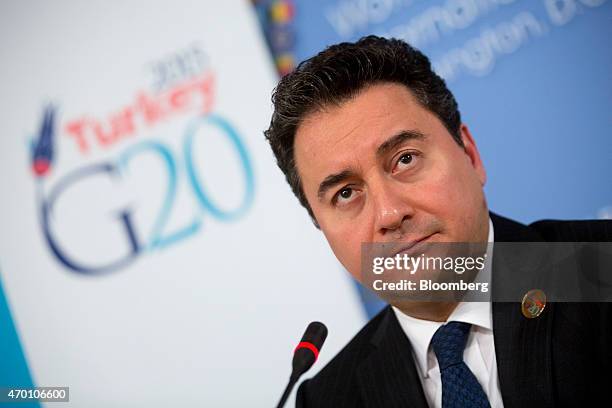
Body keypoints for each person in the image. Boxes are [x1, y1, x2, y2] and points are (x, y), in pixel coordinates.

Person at [264, 36, 611, 407]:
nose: (390, 214)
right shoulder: (326, 400)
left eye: (406, 159)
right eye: (346, 194)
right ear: (321, 228)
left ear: (471, 155)